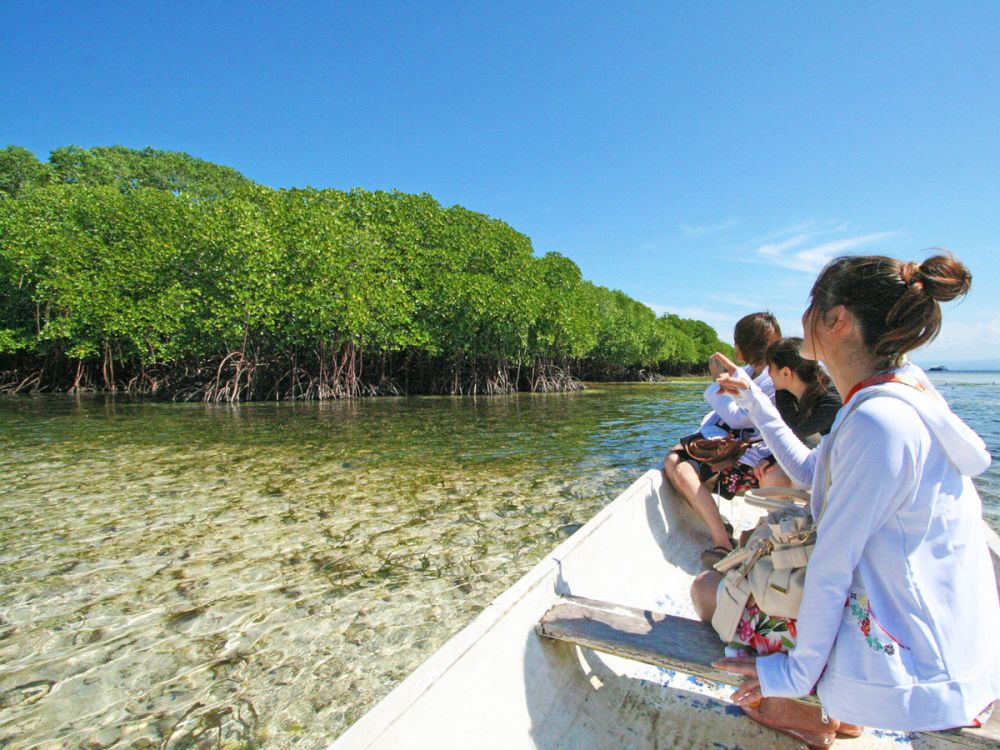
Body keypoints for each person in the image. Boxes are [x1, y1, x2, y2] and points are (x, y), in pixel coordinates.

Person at [690, 253, 999, 747]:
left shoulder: (879, 424)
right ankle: (841, 705)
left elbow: (834, 566)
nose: (804, 317)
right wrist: (752, 396)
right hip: (934, 638)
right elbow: (814, 473)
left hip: (913, 671)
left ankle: (814, 714)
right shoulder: (901, 390)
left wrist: (788, 677)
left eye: (813, 305)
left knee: (707, 591)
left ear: (837, 320)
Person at [663, 312, 781, 567]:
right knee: (673, 460)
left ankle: (722, 543)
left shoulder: (773, 380)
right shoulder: (749, 371)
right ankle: (721, 531)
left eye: (737, 340)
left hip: (753, 456)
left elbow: (740, 419)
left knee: (682, 470)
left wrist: (717, 379)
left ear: (744, 346)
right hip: (731, 446)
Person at [753, 337, 841, 489]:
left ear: (786, 372)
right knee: (769, 476)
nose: (768, 374)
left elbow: (794, 432)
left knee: (779, 478)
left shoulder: (831, 400)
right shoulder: (786, 393)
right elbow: (789, 431)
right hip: (818, 458)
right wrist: (771, 458)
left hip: (843, 467)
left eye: (770, 368)